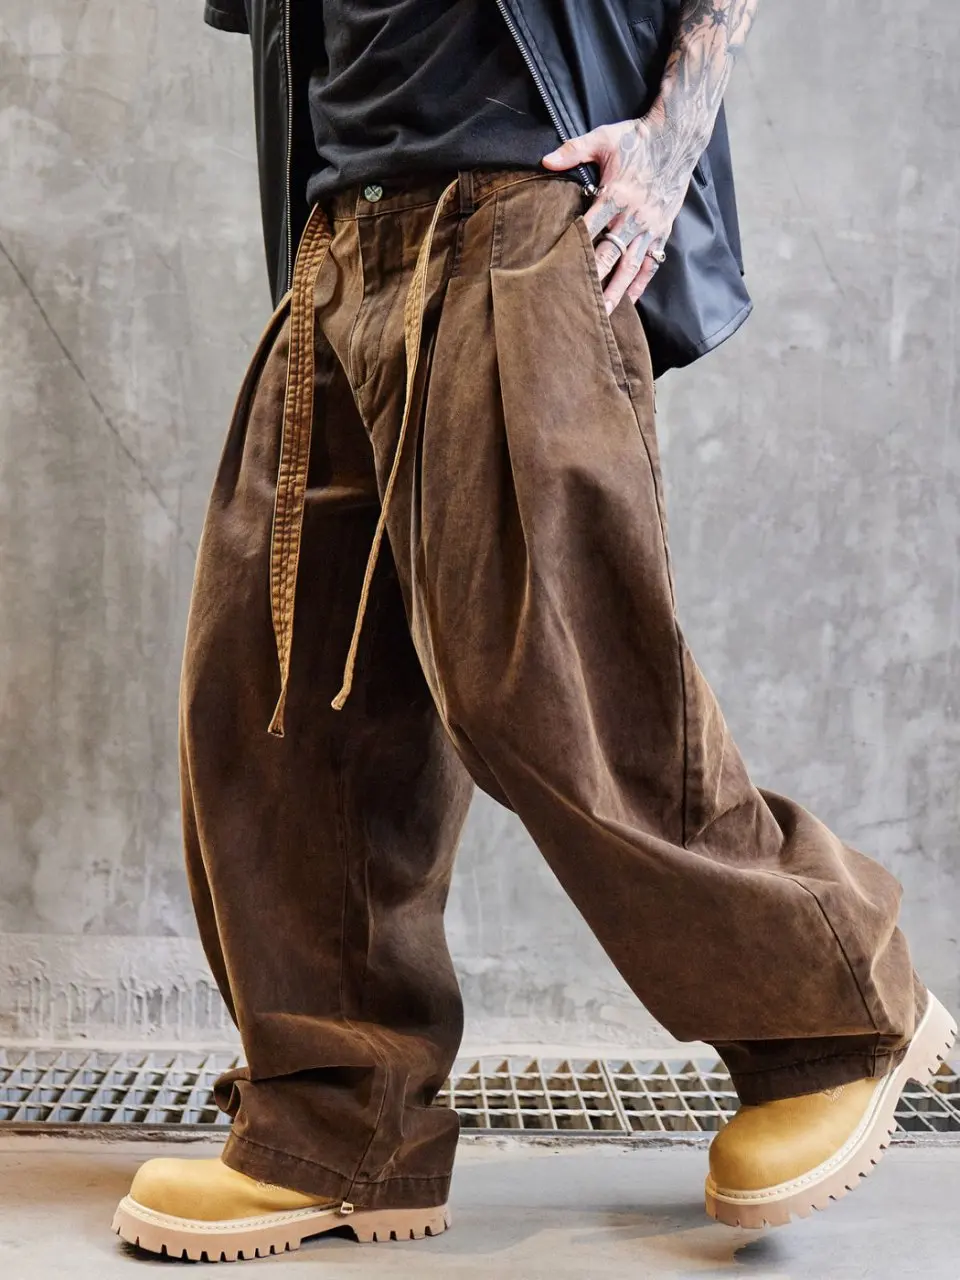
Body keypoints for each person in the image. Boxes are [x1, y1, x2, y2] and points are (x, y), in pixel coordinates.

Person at [111, 0, 955, 1262]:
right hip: (340, 240)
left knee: (549, 675)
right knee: (275, 705)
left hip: (517, 210)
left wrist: (669, 141)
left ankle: (831, 1018)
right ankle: (341, 1120)